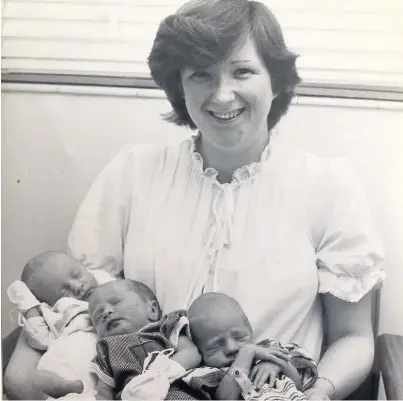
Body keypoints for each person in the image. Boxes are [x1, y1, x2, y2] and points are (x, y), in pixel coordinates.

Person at [4, 0, 385, 399]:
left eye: (242, 71)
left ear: (275, 80)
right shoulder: (132, 173)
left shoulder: (327, 185)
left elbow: (354, 337)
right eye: (201, 74)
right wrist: (18, 376)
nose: (223, 95)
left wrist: (319, 393)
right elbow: (75, 309)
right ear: (178, 85)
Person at [6, 252, 114, 398]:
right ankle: (63, 388)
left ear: (84, 267)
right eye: (63, 291)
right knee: (41, 376)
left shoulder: (105, 282)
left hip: (102, 355)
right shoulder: (56, 311)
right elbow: (41, 340)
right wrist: (30, 309)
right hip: (68, 358)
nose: (77, 286)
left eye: (77, 275)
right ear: (49, 303)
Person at [182, 292, 317, 400]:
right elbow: (226, 397)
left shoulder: (269, 349)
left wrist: (278, 363)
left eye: (239, 337)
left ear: (250, 331)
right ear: (199, 350)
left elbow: (299, 386)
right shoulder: (208, 373)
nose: (231, 348)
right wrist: (246, 354)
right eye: (215, 346)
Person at [87, 279, 201, 400]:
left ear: (152, 310)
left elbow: (191, 353)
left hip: (179, 390)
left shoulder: (165, 327)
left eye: (116, 302)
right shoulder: (106, 351)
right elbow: (103, 395)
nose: (106, 312)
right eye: (98, 316)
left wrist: (159, 376)